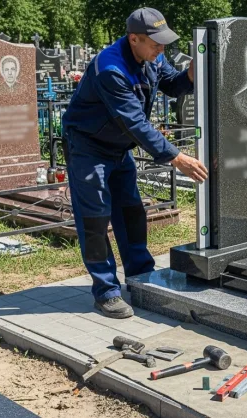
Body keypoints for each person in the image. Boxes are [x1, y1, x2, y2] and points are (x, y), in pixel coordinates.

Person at [61, 7, 208, 319]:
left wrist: (191, 74)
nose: (161, 50)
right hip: (88, 147)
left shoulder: (151, 55)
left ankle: (141, 276)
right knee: (95, 219)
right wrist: (176, 157)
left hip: (118, 148)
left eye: (163, 43)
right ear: (133, 39)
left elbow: (173, 84)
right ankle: (106, 291)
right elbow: (135, 123)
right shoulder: (110, 69)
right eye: (155, 44)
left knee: (131, 213)